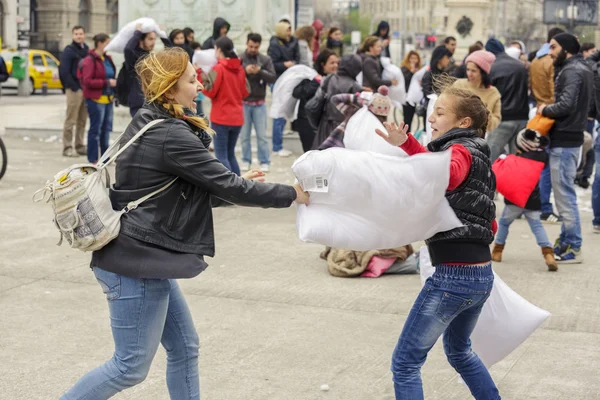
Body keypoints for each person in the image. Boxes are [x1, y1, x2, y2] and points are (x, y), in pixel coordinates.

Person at [60, 46, 309, 400]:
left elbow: (186, 190)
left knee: (185, 347)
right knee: (129, 366)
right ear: (170, 86)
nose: (200, 86)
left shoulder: (152, 119)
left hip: (145, 256)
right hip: (136, 262)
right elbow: (227, 184)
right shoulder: (170, 134)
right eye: (192, 80)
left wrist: (239, 185)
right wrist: (291, 193)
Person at [375, 83, 499, 400]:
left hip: (453, 277)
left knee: (405, 363)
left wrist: (408, 146)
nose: (432, 117)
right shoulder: (481, 157)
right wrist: (408, 145)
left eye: (440, 113)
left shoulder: (458, 152)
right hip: (481, 276)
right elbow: (491, 221)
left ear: (464, 123)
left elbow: (446, 174)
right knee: (460, 352)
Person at [538, 32, 593, 263]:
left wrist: (544, 110)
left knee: (564, 197)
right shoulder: (583, 68)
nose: (550, 53)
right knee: (564, 194)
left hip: (565, 139)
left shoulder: (571, 71)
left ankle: (574, 246)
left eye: (553, 47)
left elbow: (566, 105)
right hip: (572, 137)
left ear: (566, 49)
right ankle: (566, 240)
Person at [492, 129, 558, 271]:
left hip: (514, 201)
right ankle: (548, 255)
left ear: (521, 145)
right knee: (537, 226)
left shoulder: (514, 160)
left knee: (504, 223)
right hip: (533, 200)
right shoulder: (541, 158)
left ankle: (497, 251)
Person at [531, 27, 565, 223]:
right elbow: (556, 89)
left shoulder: (536, 59)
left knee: (539, 161)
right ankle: (545, 206)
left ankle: (539, 203)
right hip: (551, 112)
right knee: (546, 165)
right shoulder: (551, 61)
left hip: (539, 109)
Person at [202, 37, 249, 175]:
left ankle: (229, 189)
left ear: (219, 50)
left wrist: (200, 74)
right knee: (230, 155)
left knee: (221, 156)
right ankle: (239, 187)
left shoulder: (218, 68)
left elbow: (209, 91)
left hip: (221, 117)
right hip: (237, 118)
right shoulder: (240, 68)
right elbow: (245, 92)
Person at [485, 38, 529, 162]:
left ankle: (486, 181)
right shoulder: (520, 65)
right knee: (517, 160)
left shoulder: (492, 67)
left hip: (502, 118)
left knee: (489, 158)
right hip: (521, 117)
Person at [240, 33, 276, 172]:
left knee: (262, 136)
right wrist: (245, 71)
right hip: (244, 103)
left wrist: (260, 71)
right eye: (250, 46)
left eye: (256, 47)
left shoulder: (265, 59)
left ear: (259, 46)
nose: (253, 49)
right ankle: (245, 160)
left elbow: (272, 77)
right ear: (246, 44)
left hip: (259, 103)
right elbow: (234, 76)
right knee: (244, 135)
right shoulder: (240, 58)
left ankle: (264, 160)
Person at [312, 54, 363, 149]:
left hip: (325, 124)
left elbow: (318, 98)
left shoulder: (329, 78)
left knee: (321, 157)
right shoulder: (355, 86)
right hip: (344, 128)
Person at [292, 49, 339, 152]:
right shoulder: (311, 77)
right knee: (311, 155)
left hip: (326, 124)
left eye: (337, 62)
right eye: (332, 63)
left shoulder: (337, 80)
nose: (336, 65)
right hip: (307, 124)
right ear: (323, 64)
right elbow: (296, 92)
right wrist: (316, 82)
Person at [319, 86, 393, 150]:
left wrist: (359, 98)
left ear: (369, 104)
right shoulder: (382, 130)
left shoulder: (354, 113)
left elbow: (335, 99)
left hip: (335, 147)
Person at [80, 33, 117, 164]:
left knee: (106, 130)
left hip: (108, 99)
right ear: (100, 43)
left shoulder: (107, 58)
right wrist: (106, 82)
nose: (109, 45)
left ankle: (105, 158)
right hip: (95, 100)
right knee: (95, 130)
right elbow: (87, 80)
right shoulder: (90, 60)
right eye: (107, 42)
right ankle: (93, 159)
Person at [124, 23, 172, 118]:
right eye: (150, 39)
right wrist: (137, 33)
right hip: (138, 102)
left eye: (154, 39)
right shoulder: (134, 57)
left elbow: (172, 53)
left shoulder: (151, 56)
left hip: (152, 102)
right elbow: (128, 49)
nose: (153, 42)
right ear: (141, 41)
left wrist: (162, 35)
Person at [268, 20, 300, 157]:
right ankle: (277, 146)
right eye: (287, 30)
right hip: (278, 81)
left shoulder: (293, 41)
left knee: (284, 112)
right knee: (279, 113)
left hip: (290, 80)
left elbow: (298, 58)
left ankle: (279, 141)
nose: (289, 32)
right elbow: (272, 64)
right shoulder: (274, 43)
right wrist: (284, 64)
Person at [452, 50, 502, 132]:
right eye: (468, 69)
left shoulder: (493, 92)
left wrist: (486, 115)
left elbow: (496, 121)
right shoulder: (459, 84)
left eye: (473, 71)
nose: (469, 74)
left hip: (478, 136)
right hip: (456, 132)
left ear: (483, 73)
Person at [59, 25, 89, 157]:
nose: (79, 36)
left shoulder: (87, 50)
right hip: (74, 90)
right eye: (76, 34)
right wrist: (74, 87)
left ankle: (79, 145)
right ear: (73, 36)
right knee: (71, 119)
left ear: (84, 35)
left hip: (86, 89)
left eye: (81, 33)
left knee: (82, 120)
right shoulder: (69, 51)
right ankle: (67, 147)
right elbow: (64, 71)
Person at [421, 45, 452, 110]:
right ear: (440, 58)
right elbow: (427, 94)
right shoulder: (429, 74)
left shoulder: (445, 74)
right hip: (430, 109)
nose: (449, 60)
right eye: (447, 57)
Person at [400, 50, 422, 132]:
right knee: (407, 118)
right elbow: (403, 80)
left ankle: (408, 134)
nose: (414, 60)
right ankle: (404, 135)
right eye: (412, 58)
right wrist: (410, 72)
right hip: (406, 96)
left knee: (411, 117)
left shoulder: (419, 69)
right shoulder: (404, 68)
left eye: (415, 58)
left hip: (414, 96)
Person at [190, 41, 205, 116]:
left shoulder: (201, 64)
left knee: (200, 113)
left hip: (199, 95)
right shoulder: (190, 67)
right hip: (194, 95)